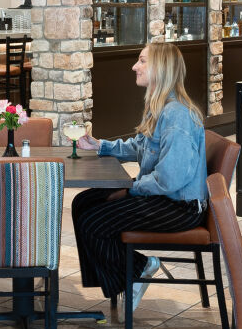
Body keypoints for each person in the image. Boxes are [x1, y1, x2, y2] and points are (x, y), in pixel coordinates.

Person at [72, 42, 207, 314]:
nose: (135, 66)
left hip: (180, 207)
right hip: (166, 198)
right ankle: (126, 275)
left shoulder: (177, 115)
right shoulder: (160, 107)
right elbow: (139, 146)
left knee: (92, 220)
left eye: (142, 61)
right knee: (82, 203)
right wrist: (100, 146)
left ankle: (136, 270)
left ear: (161, 69)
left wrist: (130, 189)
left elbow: (170, 180)